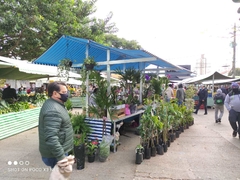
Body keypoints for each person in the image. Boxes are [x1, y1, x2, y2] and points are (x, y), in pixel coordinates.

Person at [38, 81, 73, 169]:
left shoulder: (54, 104)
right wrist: (62, 157)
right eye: (64, 92)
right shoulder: (53, 110)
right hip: (55, 155)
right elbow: (51, 138)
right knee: (59, 176)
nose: (67, 95)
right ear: (55, 93)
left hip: (57, 151)